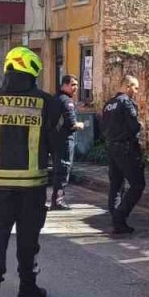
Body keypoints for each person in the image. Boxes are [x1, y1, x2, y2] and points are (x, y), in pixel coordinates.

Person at [0, 47, 64, 297]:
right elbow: (58, 143)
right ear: (34, 72)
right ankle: (27, 288)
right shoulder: (46, 102)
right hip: (32, 186)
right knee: (28, 239)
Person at [101, 75, 145, 236]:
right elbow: (133, 126)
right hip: (127, 148)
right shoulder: (126, 102)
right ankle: (120, 217)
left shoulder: (108, 104)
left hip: (112, 147)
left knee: (116, 184)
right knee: (138, 184)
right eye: (135, 87)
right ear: (127, 86)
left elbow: (103, 127)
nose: (136, 91)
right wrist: (140, 125)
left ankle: (116, 220)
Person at [49, 74, 86, 211]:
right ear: (64, 85)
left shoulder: (54, 98)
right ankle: (58, 200)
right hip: (64, 140)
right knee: (64, 169)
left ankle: (55, 200)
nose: (75, 88)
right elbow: (71, 124)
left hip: (54, 139)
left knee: (57, 170)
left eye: (76, 85)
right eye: (73, 85)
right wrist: (80, 124)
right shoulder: (66, 101)